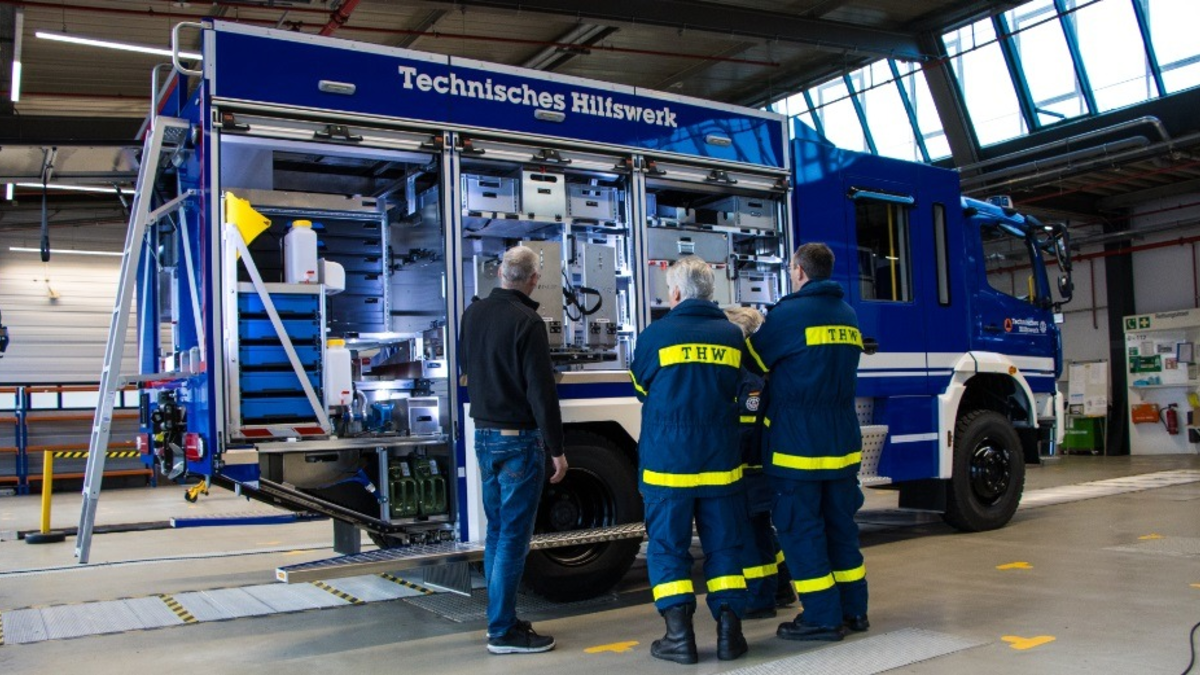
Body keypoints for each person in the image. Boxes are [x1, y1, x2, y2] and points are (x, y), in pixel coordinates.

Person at [745, 242, 868, 642]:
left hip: (798, 450)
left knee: (802, 532)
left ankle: (821, 616)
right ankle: (854, 611)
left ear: (798, 271)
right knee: (840, 529)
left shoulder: (788, 315)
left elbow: (753, 361)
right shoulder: (848, 315)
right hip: (842, 444)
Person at [630, 255, 749, 664]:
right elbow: (741, 388)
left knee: (667, 548)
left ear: (676, 292)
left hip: (667, 464)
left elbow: (642, 389)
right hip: (721, 461)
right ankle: (731, 634)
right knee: (725, 546)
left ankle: (679, 638)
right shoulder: (733, 337)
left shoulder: (654, 336)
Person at [459, 245, 570, 655]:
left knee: (497, 534)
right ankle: (502, 631)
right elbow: (542, 392)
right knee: (512, 540)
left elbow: (464, 365)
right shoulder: (528, 321)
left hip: (484, 437)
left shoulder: (472, 314)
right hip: (519, 442)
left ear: (501, 273)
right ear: (533, 279)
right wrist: (557, 448)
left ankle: (500, 619)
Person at [723, 306, 794, 620]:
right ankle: (779, 586)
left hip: (750, 470)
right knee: (762, 530)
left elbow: (747, 428)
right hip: (760, 468)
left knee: (750, 534)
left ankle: (760, 597)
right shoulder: (758, 369)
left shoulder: (749, 375)